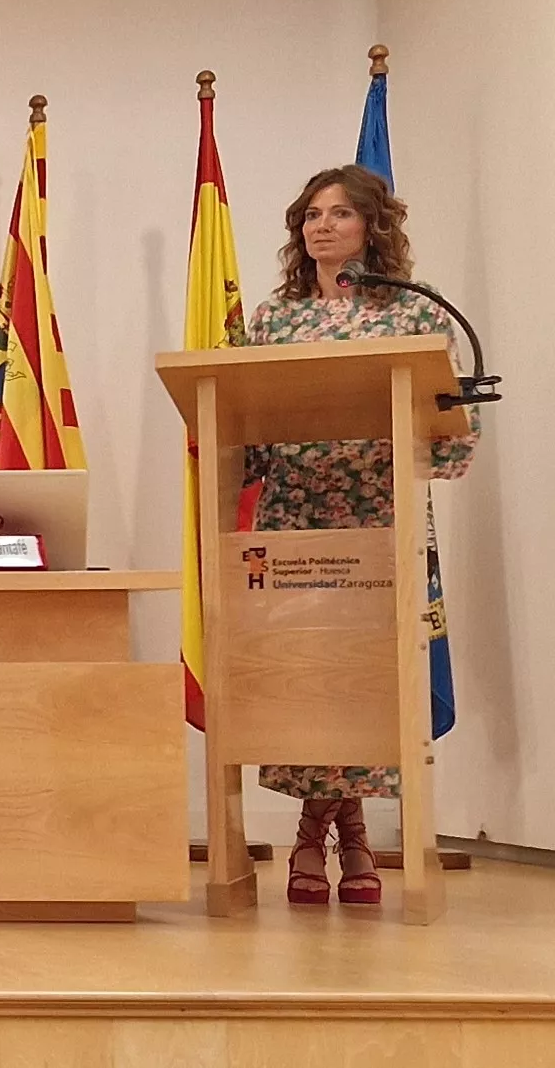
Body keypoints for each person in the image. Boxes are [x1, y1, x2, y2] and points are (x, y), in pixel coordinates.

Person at [247, 165, 479, 907]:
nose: (321, 226)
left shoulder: (416, 316)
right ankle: (345, 831)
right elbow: (245, 422)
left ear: (373, 227)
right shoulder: (275, 318)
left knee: (368, 681)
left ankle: (319, 832)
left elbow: (450, 424)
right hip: (295, 522)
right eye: (311, 214)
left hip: (380, 516)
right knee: (310, 678)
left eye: (340, 213)